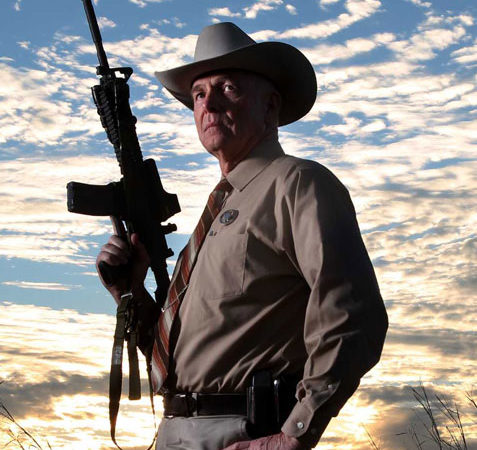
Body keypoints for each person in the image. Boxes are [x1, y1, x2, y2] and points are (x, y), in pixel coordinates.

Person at [96, 22, 388, 450]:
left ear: (271, 106)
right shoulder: (218, 214)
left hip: (241, 431)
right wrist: (130, 292)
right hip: (175, 433)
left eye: (228, 88)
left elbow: (355, 318)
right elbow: (176, 363)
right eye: (199, 94)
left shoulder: (298, 183)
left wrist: (293, 435)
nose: (209, 103)